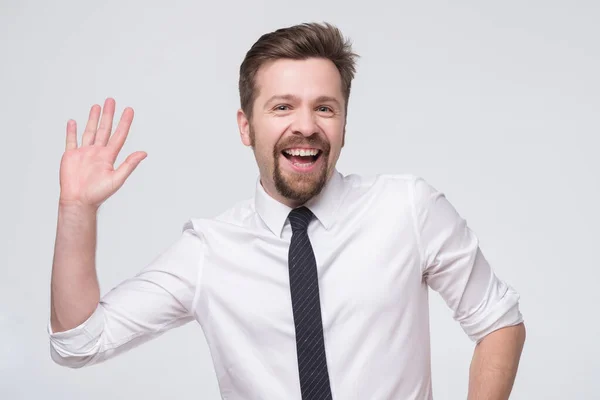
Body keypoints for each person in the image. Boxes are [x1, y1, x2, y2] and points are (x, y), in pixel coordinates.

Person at [48, 22, 526, 399]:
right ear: (246, 126)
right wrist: (76, 210)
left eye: (325, 108)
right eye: (282, 107)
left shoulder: (408, 209)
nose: (306, 126)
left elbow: (498, 321)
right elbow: (78, 343)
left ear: (343, 122)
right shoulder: (208, 251)